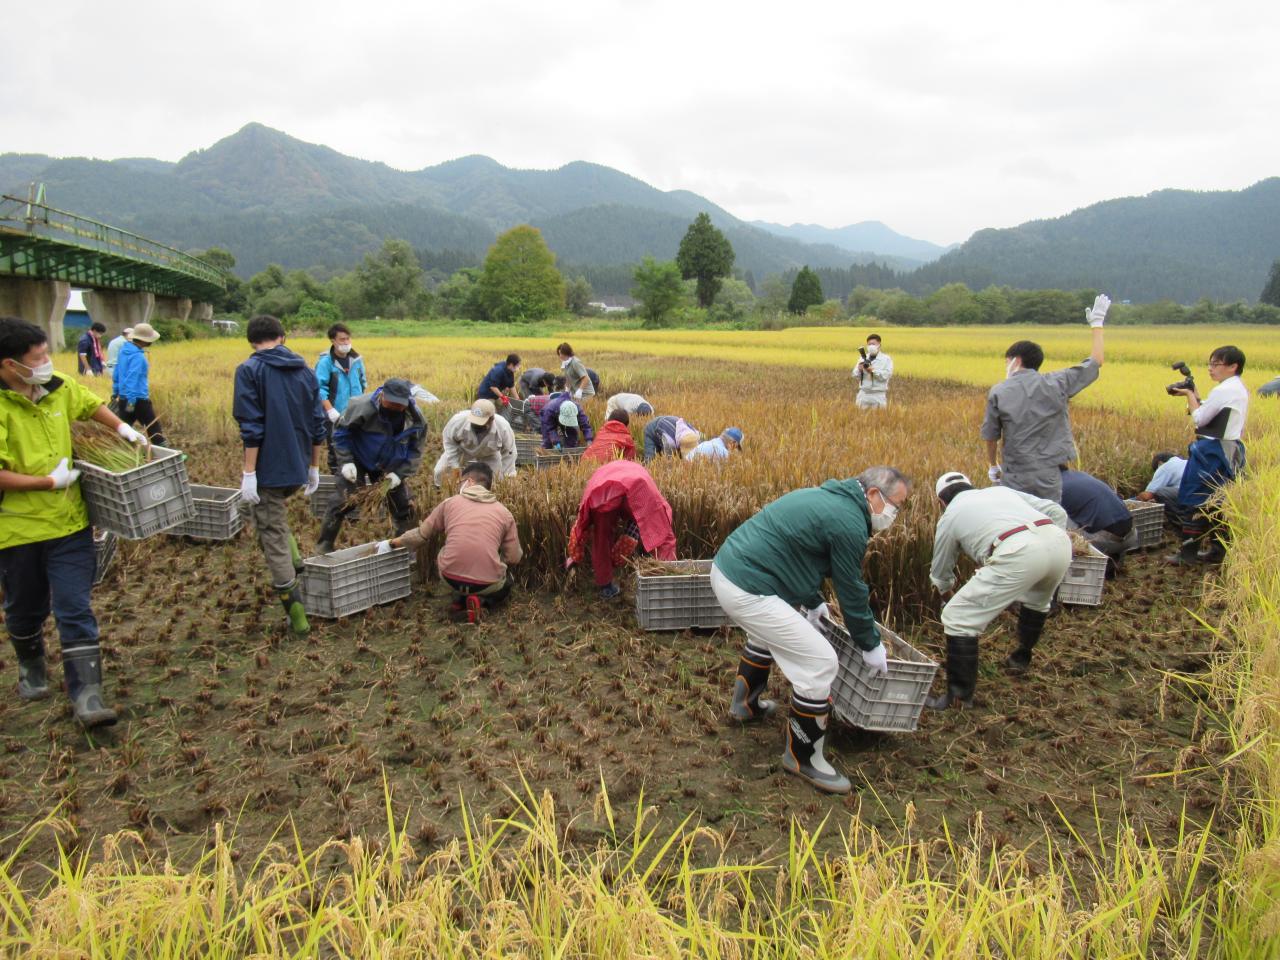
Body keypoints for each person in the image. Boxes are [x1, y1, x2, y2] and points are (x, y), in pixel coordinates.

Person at [710, 466, 908, 794]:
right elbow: (851, 589)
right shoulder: (848, 522)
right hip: (747, 586)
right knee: (821, 663)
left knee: (766, 632)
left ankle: (745, 706)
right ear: (873, 495)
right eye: (894, 505)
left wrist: (813, 600)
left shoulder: (826, 499)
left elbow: (795, 555)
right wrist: (870, 644)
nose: (894, 514)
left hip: (731, 570)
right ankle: (803, 758)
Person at [0, 316, 147, 727]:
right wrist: (47, 482)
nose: (47, 361)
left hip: (69, 524)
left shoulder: (57, 387)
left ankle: (87, 695)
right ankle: (31, 665)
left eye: (46, 353)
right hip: (16, 529)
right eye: (38, 357)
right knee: (25, 608)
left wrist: (122, 429)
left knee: (74, 607)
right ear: (10, 365)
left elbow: (89, 404)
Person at [926, 472, 1072, 711]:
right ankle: (1020, 659)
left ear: (940, 502)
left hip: (1017, 552)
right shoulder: (1000, 491)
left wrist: (947, 597)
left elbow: (941, 573)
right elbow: (1057, 512)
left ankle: (959, 697)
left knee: (958, 617)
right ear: (971, 486)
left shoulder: (950, 515)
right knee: (1037, 601)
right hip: (1058, 542)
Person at [233, 315, 326, 638]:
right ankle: (297, 559)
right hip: (298, 466)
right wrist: (313, 467)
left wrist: (249, 474)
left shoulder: (249, 370)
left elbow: (252, 426)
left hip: (268, 470)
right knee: (268, 515)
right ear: (282, 337)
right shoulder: (305, 371)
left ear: (251, 341)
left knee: (270, 532)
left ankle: (297, 616)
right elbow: (318, 423)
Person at [981, 295, 1110, 502]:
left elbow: (991, 435)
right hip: (1049, 472)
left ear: (1015, 360)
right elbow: (1096, 361)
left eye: (1007, 361)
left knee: (1019, 518)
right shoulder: (1058, 382)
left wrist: (992, 465)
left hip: (1016, 472)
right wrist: (1097, 323)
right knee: (1049, 518)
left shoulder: (999, 391)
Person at [385, 461, 522, 624]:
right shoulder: (504, 513)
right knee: (507, 581)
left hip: (449, 577)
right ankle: (484, 602)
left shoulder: (449, 503)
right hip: (487, 583)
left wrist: (392, 543)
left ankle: (459, 599)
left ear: (469, 482)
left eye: (460, 482)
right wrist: (497, 561)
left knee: (448, 552)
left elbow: (420, 536)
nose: (459, 487)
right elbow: (514, 557)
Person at [316, 378, 426, 554]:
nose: (395, 407)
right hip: (358, 458)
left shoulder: (416, 420)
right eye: (391, 402)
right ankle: (324, 547)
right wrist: (346, 462)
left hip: (388, 465)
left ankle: (404, 551)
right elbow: (340, 434)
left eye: (400, 404)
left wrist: (399, 474)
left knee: (403, 506)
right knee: (344, 501)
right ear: (382, 394)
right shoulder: (361, 406)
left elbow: (415, 452)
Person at [1167, 345, 1249, 564]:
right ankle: (1217, 552)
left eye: (1216, 364)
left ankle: (1187, 555)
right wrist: (1195, 397)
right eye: (1210, 363)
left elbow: (1200, 419)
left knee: (1196, 499)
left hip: (1212, 453)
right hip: (1228, 449)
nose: (1211, 369)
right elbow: (1212, 413)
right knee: (1218, 502)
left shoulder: (1224, 390)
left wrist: (1187, 395)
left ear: (1233, 366)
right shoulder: (1236, 387)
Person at [567, 459, 676, 600]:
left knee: (602, 536)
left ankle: (605, 586)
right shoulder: (650, 499)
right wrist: (670, 572)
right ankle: (665, 583)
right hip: (629, 488)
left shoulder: (637, 487)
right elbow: (664, 535)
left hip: (600, 492)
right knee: (661, 534)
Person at [315, 323, 368, 473]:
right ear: (333, 341)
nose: (346, 343)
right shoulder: (326, 363)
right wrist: (330, 410)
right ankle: (337, 478)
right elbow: (320, 388)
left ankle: (356, 477)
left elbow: (363, 382)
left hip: (356, 413)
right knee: (336, 449)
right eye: (342, 340)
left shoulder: (357, 360)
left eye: (347, 339)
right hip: (335, 414)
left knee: (357, 447)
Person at [433, 399, 517, 487]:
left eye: (480, 423)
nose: (476, 426)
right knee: (440, 471)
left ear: (491, 419)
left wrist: (507, 476)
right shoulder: (458, 421)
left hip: (489, 454)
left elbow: (509, 453)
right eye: (474, 422)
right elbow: (450, 442)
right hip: (462, 450)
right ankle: (439, 490)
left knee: (497, 480)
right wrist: (455, 466)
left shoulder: (503, 427)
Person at [1058, 467, 1137, 559]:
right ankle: (1114, 563)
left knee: (1052, 514)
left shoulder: (1052, 486)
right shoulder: (1081, 475)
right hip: (1132, 536)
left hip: (1102, 543)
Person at [112, 322, 166, 445]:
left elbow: (117, 374)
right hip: (138, 399)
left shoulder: (123, 351)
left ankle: (118, 449)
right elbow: (133, 378)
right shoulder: (138, 357)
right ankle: (166, 453)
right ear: (145, 341)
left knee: (125, 427)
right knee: (153, 427)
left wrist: (116, 392)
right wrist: (132, 401)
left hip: (123, 397)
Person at [853, 334, 893, 409]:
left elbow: (886, 375)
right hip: (863, 394)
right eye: (869, 344)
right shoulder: (862, 358)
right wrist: (859, 369)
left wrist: (872, 371)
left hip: (878, 395)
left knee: (879, 419)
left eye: (873, 344)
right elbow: (855, 374)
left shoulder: (886, 359)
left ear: (879, 345)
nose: (871, 346)